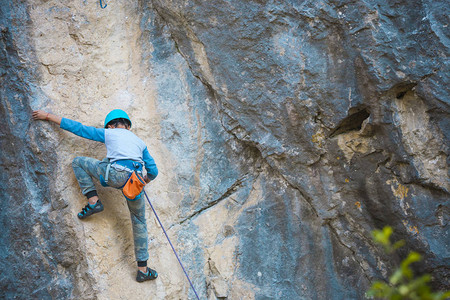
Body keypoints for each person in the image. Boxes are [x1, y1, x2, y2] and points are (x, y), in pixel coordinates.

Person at [32, 109, 158, 282]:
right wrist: (143, 181)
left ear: (112, 125)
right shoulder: (140, 142)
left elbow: (79, 128)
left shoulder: (109, 133)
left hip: (114, 175)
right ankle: (142, 270)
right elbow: (153, 171)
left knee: (78, 162)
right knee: (139, 221)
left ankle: (94, 201)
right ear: (128, 126)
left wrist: (48, 116)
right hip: (133, 183)